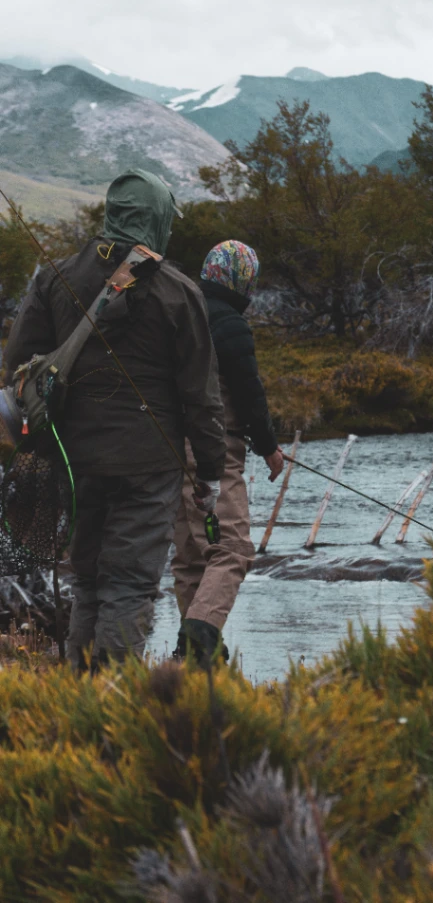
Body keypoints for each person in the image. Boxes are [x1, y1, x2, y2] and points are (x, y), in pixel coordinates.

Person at [4, 170, 226, 671]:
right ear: (158, 219)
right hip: (149, 465)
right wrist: (210, 472)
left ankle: (81, 689)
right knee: (129, 582)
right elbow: (201, 396)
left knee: (87, 578)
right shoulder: (178, 290)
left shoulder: (54, 277)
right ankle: (112, 693)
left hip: (73, 460)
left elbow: (18, 362)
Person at [172, 240, 284, 664]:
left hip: (171, 448)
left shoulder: (180, 311)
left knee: (190, 558)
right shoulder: (229, 323)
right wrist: (270, 448)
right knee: (233, 549)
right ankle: (196, 646)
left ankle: (198, 662)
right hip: (215, 450)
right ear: (243, 281)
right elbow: (249, 392)